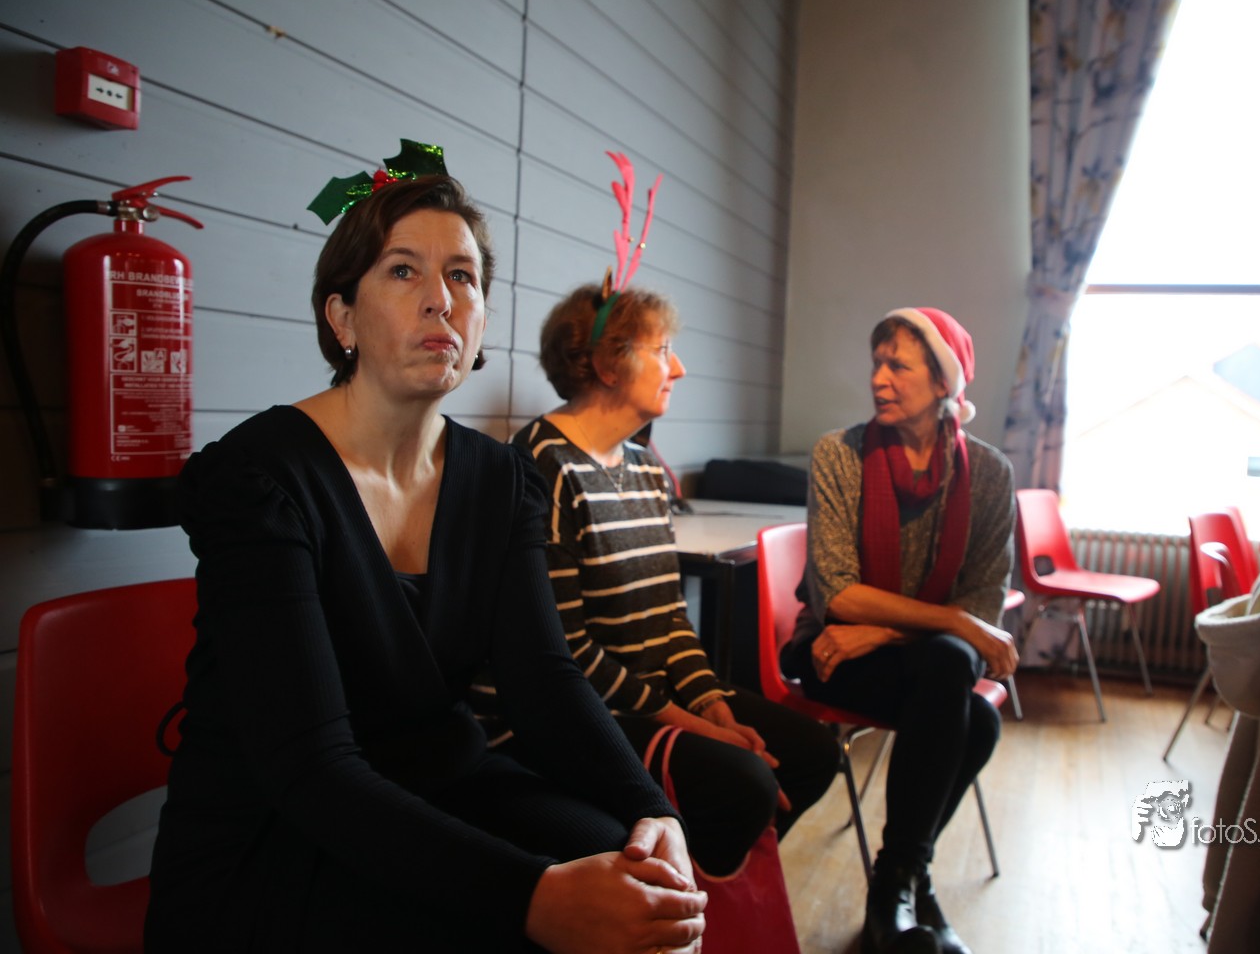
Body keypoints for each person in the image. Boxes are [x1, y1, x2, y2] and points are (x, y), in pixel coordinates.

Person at [144, 168, 706, 954]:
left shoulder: (502, 478)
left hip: (442, 782)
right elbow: (310, 766)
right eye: (403, 270)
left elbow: (544, 680)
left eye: (462, 276)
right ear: (342, 316)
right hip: (277, 831)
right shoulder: (261, 478)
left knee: (640, 881)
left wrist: (652, 809)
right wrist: (530, 897)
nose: (441, 299)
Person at [499, 283, 839, 877]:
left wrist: (711, 703)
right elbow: (566, 651)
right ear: (607, 365)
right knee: (746, 783)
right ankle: (675, 898)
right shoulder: (543, 463)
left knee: (812, 754)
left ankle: (691, 889)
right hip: (569, 711)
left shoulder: (644, 468)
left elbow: (668, 616)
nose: (677, 368)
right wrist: (691, 723)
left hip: (642, 696)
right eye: (661, 350)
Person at [781, 307, 1019, 954]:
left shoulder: (989, 474)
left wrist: (883, 632)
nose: (879, 379)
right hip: (830, 651)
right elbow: (837, 594)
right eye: (876, 363)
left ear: (944, 382)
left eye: (898, 366)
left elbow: (983, 600)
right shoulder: (839, 454)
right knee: (962, 687)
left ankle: (897, 881)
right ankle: (909, 887)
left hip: (895, 653)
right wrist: (952, 621)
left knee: (965, 694)